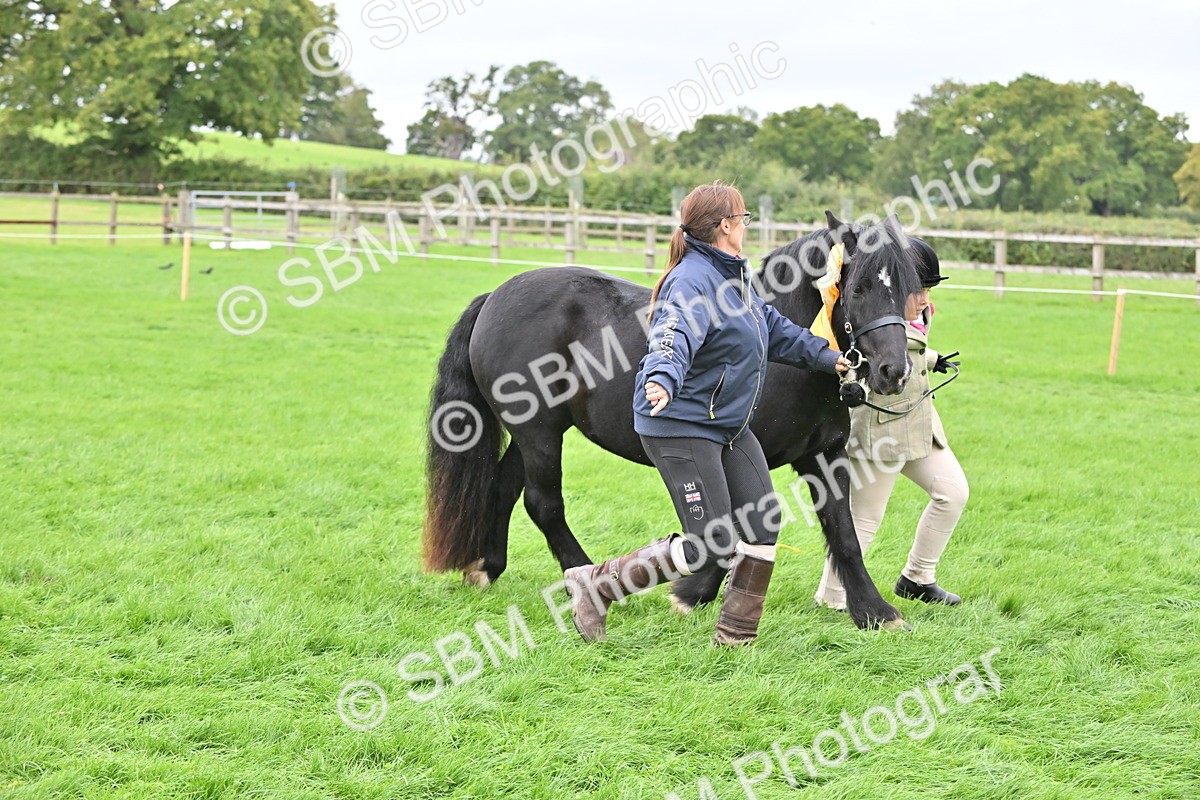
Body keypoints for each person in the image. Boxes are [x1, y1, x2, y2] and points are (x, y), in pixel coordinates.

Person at [565, 182, 851, 645]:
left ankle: (735, 636)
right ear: (724, 226)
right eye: (743, 217)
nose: (746, 225)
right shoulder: (692, 281)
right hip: (681, 425)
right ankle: (597, 584)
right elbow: (672, 334)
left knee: (763, 522)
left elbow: (771, 328)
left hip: (727, 425)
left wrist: (827, 357)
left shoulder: (733, 275)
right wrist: (662, 376)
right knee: (709, 543)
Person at [814, 238, 968, 610]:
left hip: (919, 425)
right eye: (918, 291)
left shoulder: (919, 314)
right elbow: (857, 356)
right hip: (879, 430)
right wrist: (852, 381)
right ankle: (832, 596)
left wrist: (933, 358)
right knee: (865, 518)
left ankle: (918, 577)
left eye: (929, 290)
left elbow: (912, 348)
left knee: (953, 493)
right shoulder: (870, 319)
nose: (925, 299)